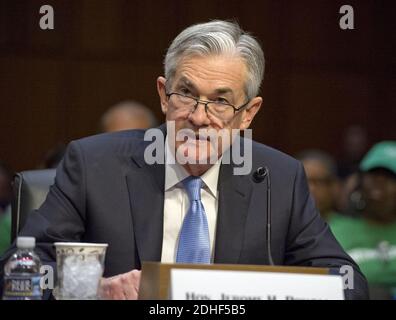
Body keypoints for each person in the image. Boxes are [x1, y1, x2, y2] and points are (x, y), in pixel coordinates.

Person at [0, 20, 368, 300]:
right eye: (186, 94)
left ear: (248, 114)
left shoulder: (278, 178)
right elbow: (16, 270)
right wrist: (92, 289)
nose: (198, 116)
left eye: (221, 101)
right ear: (164, 95)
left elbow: (348, 283)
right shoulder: (94, 166)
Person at [330, 141, 396, 299]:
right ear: (358, 183)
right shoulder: (334, 230)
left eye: (390, 177)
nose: (379, 184)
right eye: (373, 176)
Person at [297, 150, 341, 222]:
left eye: (318, 181)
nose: (311, 188)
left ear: (334, 186)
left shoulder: (354, 229)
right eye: (303, 181)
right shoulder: (278, 227)